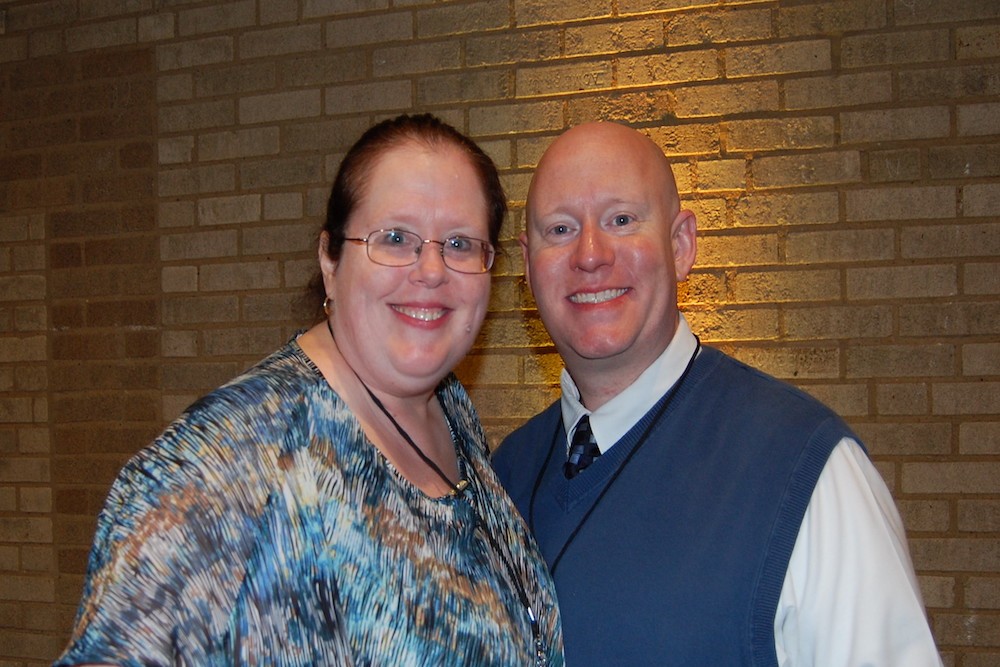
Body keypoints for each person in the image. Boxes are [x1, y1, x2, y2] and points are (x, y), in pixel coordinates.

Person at [56, 114, 563, 666]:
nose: (432, 269)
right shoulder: (229, 459)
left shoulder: (449, 411)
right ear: (330, 259)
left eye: (460, 243)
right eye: (395, 238)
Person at [492, 121, 942, 666]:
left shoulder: (805, 471)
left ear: (681, 245)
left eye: (621, 220)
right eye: (560, 229)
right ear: (528, 266)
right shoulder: (504, 476)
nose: (590, 254)